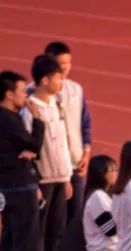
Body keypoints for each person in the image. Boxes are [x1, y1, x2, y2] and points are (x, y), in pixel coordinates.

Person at [0, 69, 51, 251]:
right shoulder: (10, 119)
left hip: (6, 188)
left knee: (10, 235)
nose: (24, 96)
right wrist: (38, 121)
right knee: (24, 238)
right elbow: (33, 144)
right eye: (21, 91)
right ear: (9, 94)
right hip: (19, 187)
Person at [26, 54, 76, 251]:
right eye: (57, 77)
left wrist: (67, 175)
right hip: (42, 178)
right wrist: (33, 181)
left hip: (59, 176)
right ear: (44, 80)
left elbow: (62, 142)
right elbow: (27, 148)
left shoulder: (56, 104)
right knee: (37, 229)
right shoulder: (30, 110)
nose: (61, 81)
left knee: (57, 227)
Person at [44, 41, 90, 230]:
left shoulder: (76, 90)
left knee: (75, 215)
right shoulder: (34, 94)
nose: (65, 68)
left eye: (68, 63)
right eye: (60, 63)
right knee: (51, 220)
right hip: (50, 169)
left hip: (75, 165)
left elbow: (85, 123)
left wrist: (86, 152)